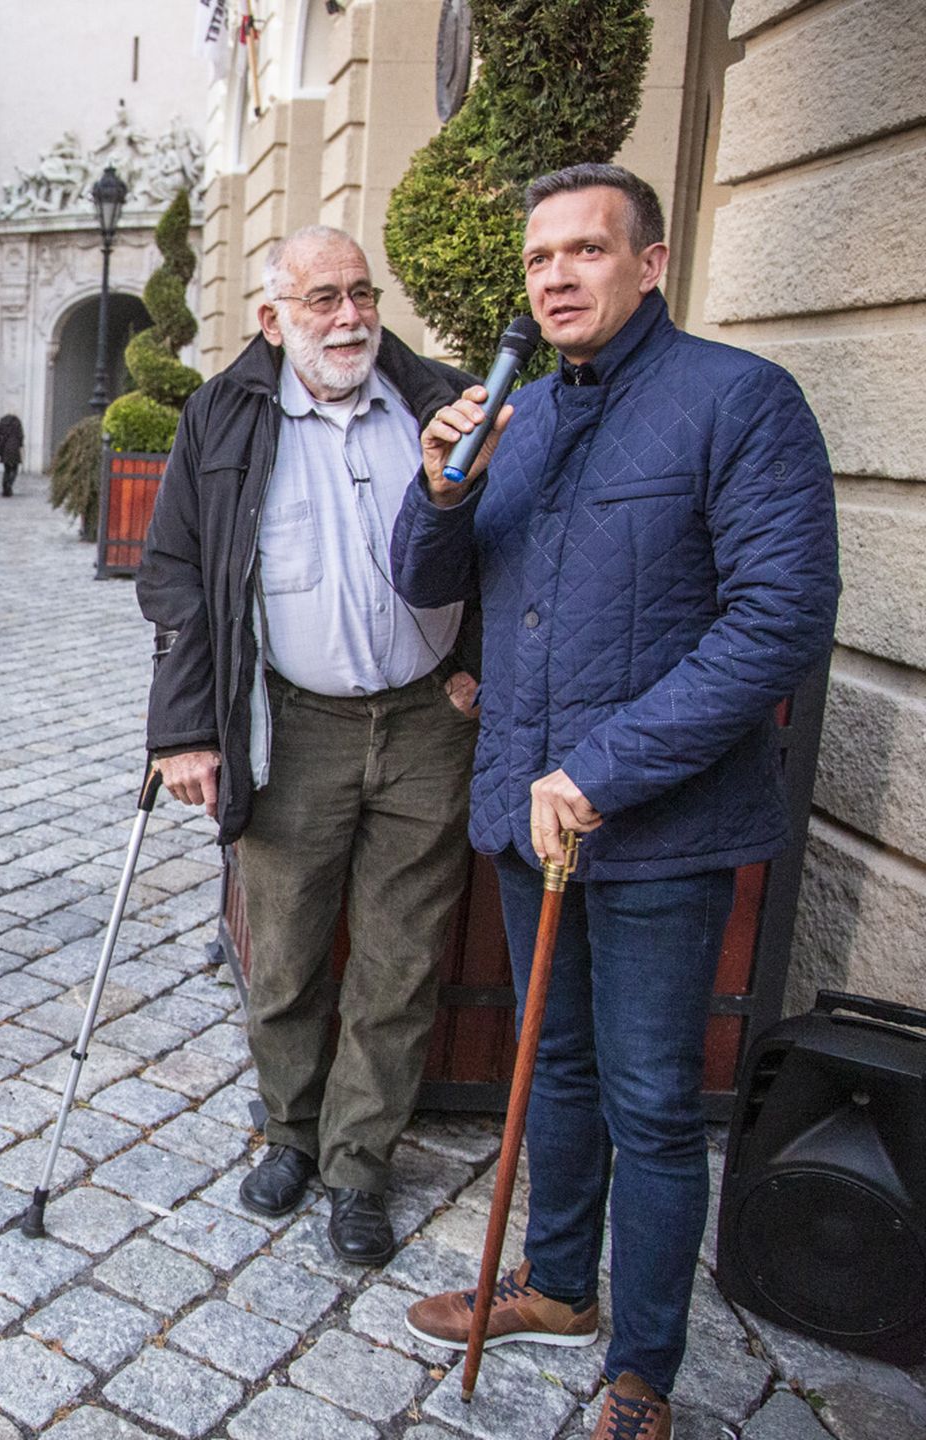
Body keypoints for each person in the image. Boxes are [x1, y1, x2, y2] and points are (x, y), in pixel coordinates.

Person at [392, 165, 839, 1440]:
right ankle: (557, 1287)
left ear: (651, 263)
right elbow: (427, 581)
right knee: (559, 1069)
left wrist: (603, 770)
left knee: (651, 1098)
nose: (557, 277)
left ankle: (642, 1366)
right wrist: (441, 484)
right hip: (533, 825)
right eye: (541, 259)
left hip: (654, 828)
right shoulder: (518, 417)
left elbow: (779, 621)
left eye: (587, 251)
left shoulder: (740, 401)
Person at [137, 225, 481, 1265]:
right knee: (285, 954)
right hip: (292, 722)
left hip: (429, 721)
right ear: (273, 319)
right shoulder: (224, 416)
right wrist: (186, 726)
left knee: (399, 961)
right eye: (322, 298)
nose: (348, 316)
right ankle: (289, 1131)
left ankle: (359, 1165)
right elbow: (176, 580)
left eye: (361, 293)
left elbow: (515, 536)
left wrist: (490, 666)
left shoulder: (440, 402)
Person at [0, 411, 24, 497]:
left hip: (5, 448)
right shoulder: (17, 421)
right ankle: (9, 484)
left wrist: (2, 442)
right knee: (14, 469)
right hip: (15, 448)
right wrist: (20, 444)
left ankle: (5, 488)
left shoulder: (2, 421)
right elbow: (21, 435)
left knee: (6, 469)